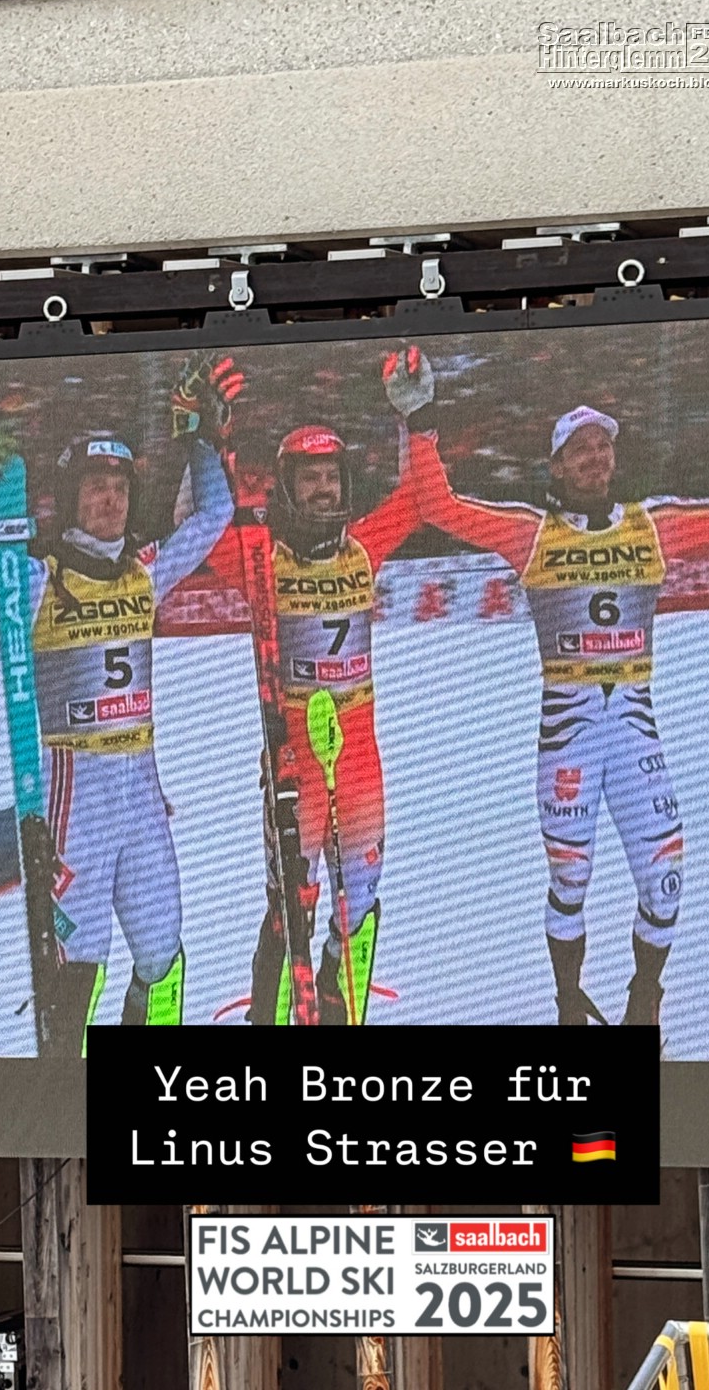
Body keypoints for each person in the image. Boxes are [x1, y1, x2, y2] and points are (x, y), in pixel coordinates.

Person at [390, 348, 709, 1027]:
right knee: (570, 878)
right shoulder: (532, 534)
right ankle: (569, 1001)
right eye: (580, 449)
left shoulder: (652, 524)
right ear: (557, 466)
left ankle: (644, 996)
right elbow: (438, 506)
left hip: (634, 732)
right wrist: (420, 420)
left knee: (666, 878)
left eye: (603, 446)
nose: (596, 457)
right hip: (567, 737)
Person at [0, 358, 238, 1049]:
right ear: (70, 497)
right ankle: (69, 1098)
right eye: (96, 486)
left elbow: (215, 514)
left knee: (162, 959)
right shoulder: (36, 579)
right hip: (75, 805)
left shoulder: (145, 572)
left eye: (120, 487)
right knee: (77, 976)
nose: (110, 499)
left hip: (143, 801)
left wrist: (200, 437)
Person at [218, 401, 424, 1025]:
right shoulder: (262, 557)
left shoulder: (363, 549)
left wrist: (416, 417)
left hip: (360, 762)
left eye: (331, 476)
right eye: (310, 477)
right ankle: (269, 1018)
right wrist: (211, 443)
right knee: (291, 904)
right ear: (287, 485)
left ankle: (341, 1011)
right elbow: (195, 525)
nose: (324, 488)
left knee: (359, 901)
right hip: (295, 763)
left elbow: (418, 498)